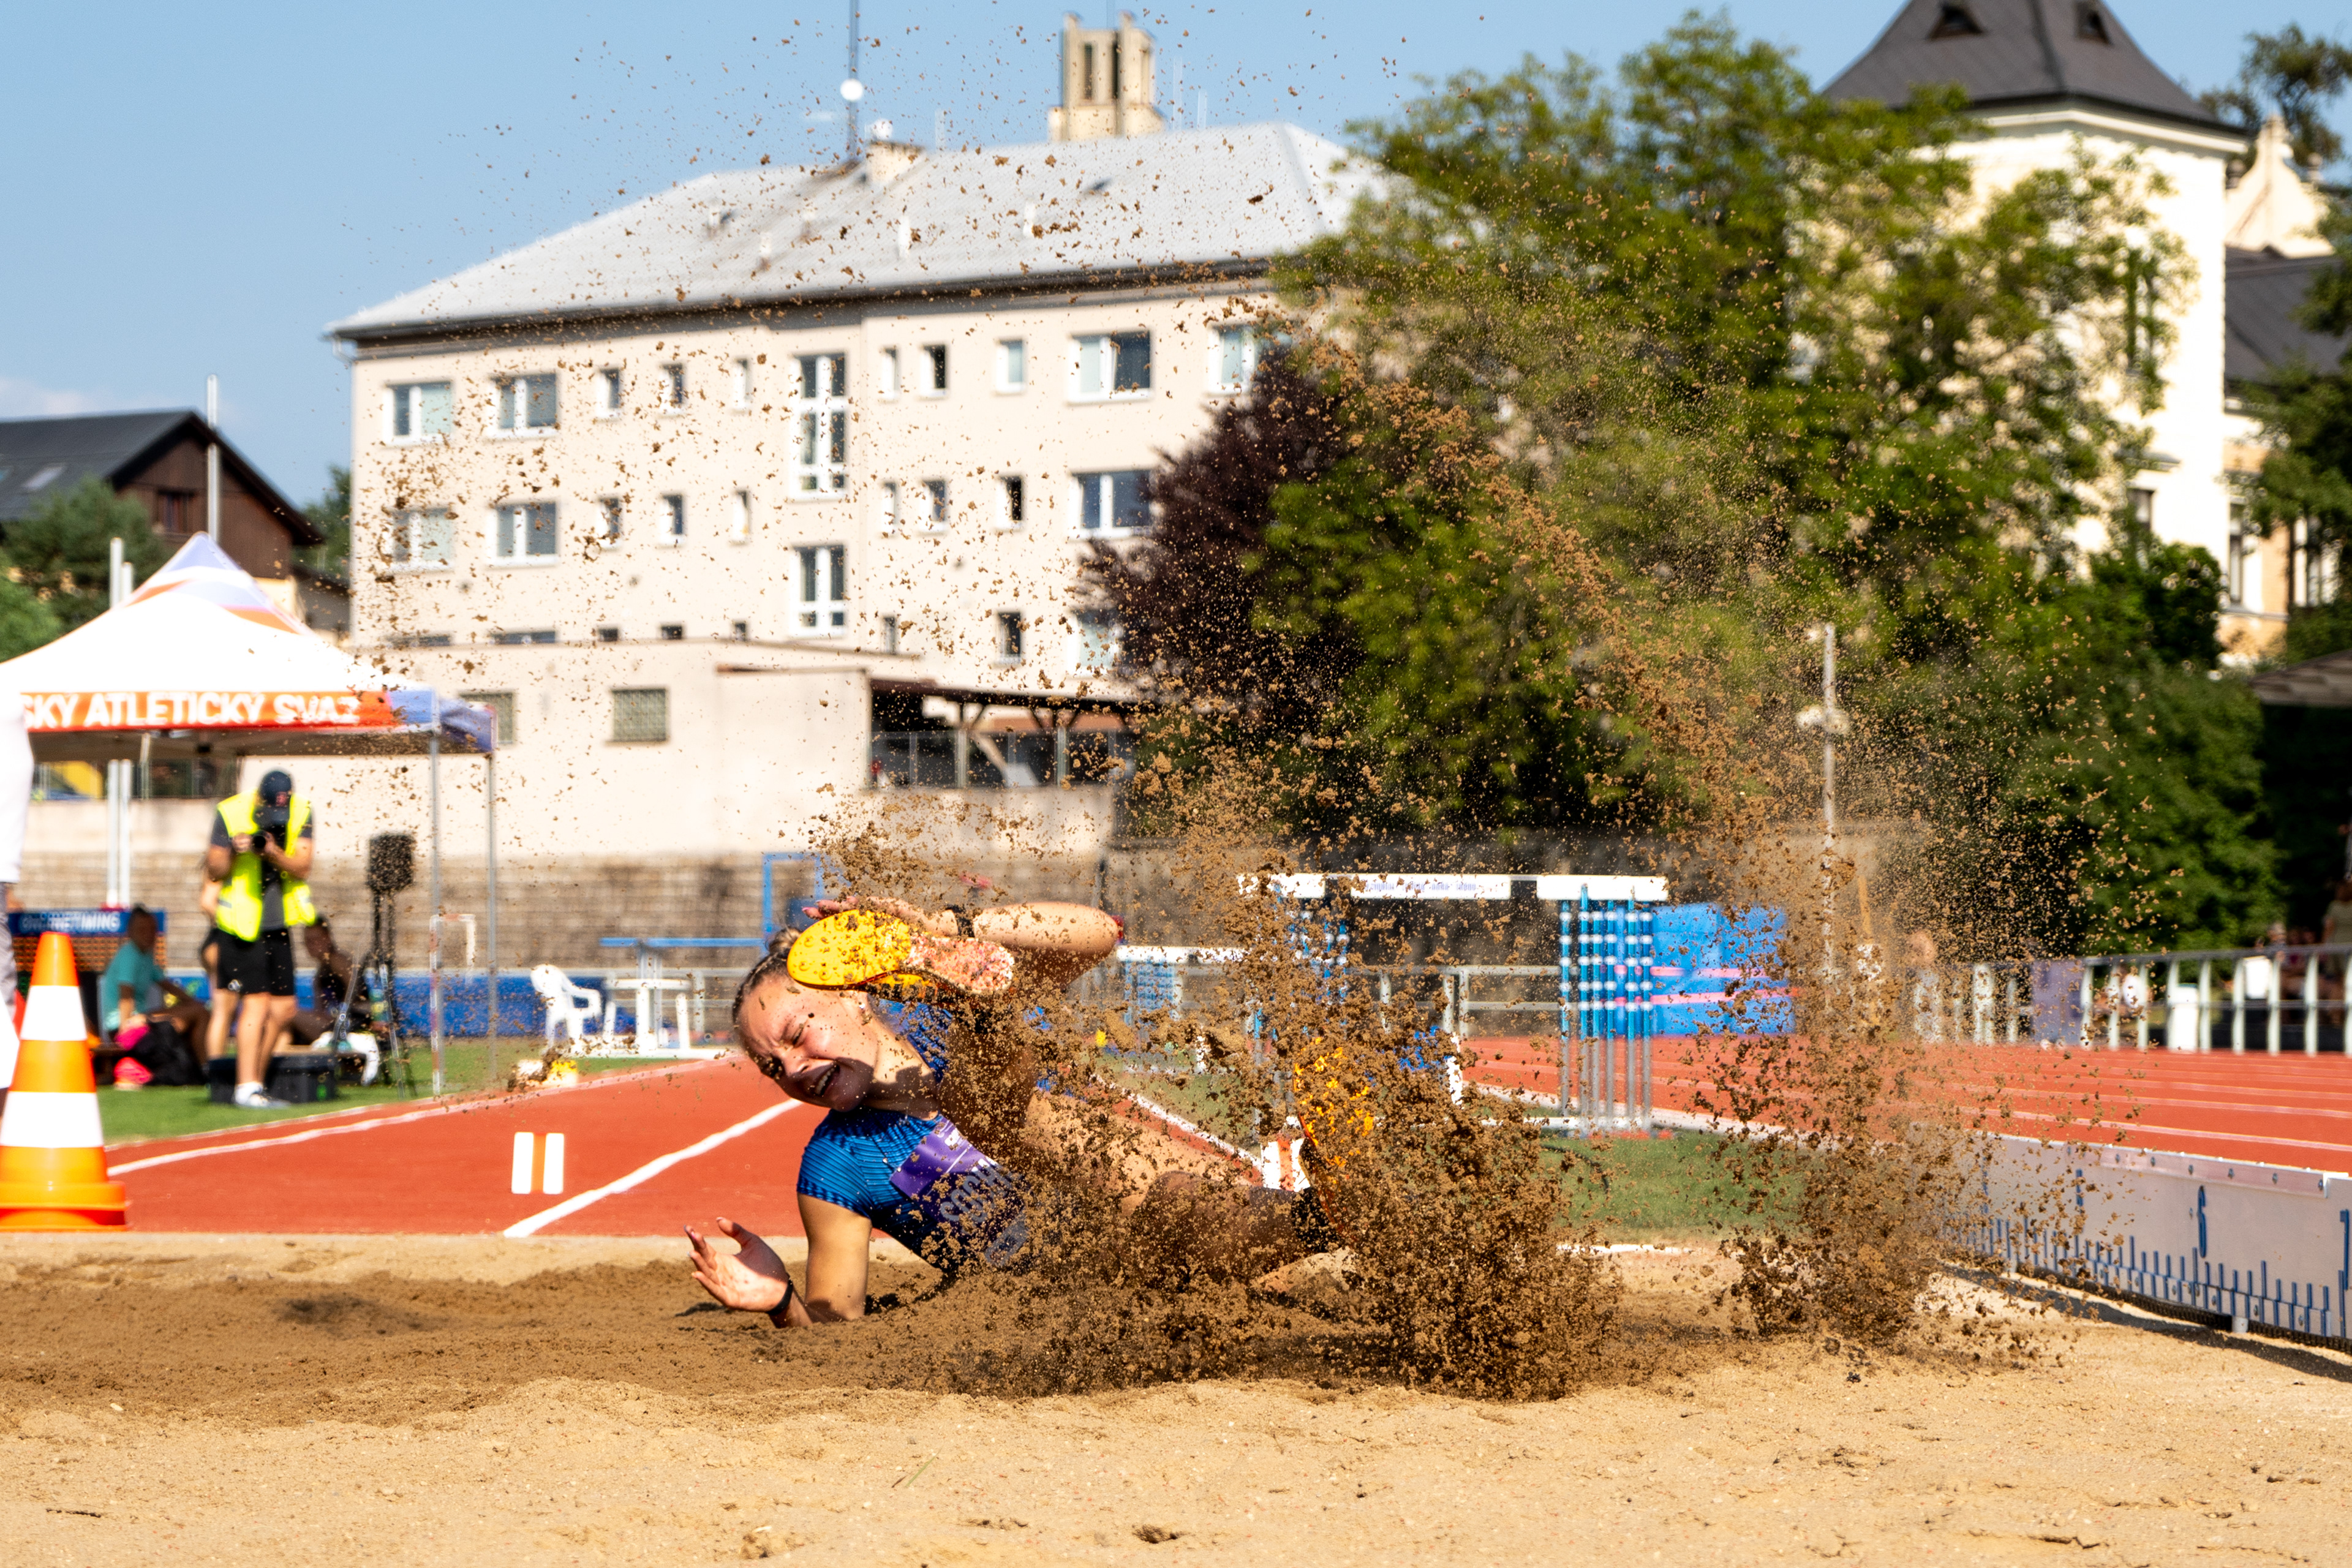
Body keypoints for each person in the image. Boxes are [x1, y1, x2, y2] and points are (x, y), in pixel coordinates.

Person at [685, 897, 1333, 1328]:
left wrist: (955, 926)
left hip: (1210, 1218)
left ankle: (1329, 1212)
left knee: (1149, 1188)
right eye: (773, 1068)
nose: (794, 1069)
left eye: (798, 1033)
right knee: (1146, 1210)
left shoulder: (939, 1028)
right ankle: (1334, 1209)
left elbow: (1100, 932)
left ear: (855, 996)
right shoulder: (836, 1166)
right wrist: (777, 1301)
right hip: (1101, 1293)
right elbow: (838, 1334)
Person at [204, 769, 318, 1109]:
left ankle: (256, 1077)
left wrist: (273, 853)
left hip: (278, 923)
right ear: (259, 799)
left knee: (284, 1009)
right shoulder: (231, 811)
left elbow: (303, 866)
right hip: (241, 925)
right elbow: (214, 869)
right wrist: (236, 850)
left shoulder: (302, 810)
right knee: (256, 1002)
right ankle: (246, 1085)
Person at [100, 905, 208, 1087]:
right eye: (142, 930)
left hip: (141, 1020)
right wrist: (124, 1033)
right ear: (131, 932)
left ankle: (203, 1067)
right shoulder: (129, 955)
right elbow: (125, 996)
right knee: (200, 1014)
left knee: (200, 1012)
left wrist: (193, 1003)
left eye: (152, 929)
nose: (148, 934)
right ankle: (206, 1069)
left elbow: (168, 986)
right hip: (126, 1026)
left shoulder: (147, 956)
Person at [286, 917, 369, 1046]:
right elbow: (319, 1010)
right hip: (333, 1023)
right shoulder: (319, 975)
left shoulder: (338, 961)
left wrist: (339, 1015)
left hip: (353, 1024)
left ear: (328, 939)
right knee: (288, 1019)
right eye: (308, 941)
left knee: (290, 1014)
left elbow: (355, 993)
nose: (312, 945)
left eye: (316, 940)